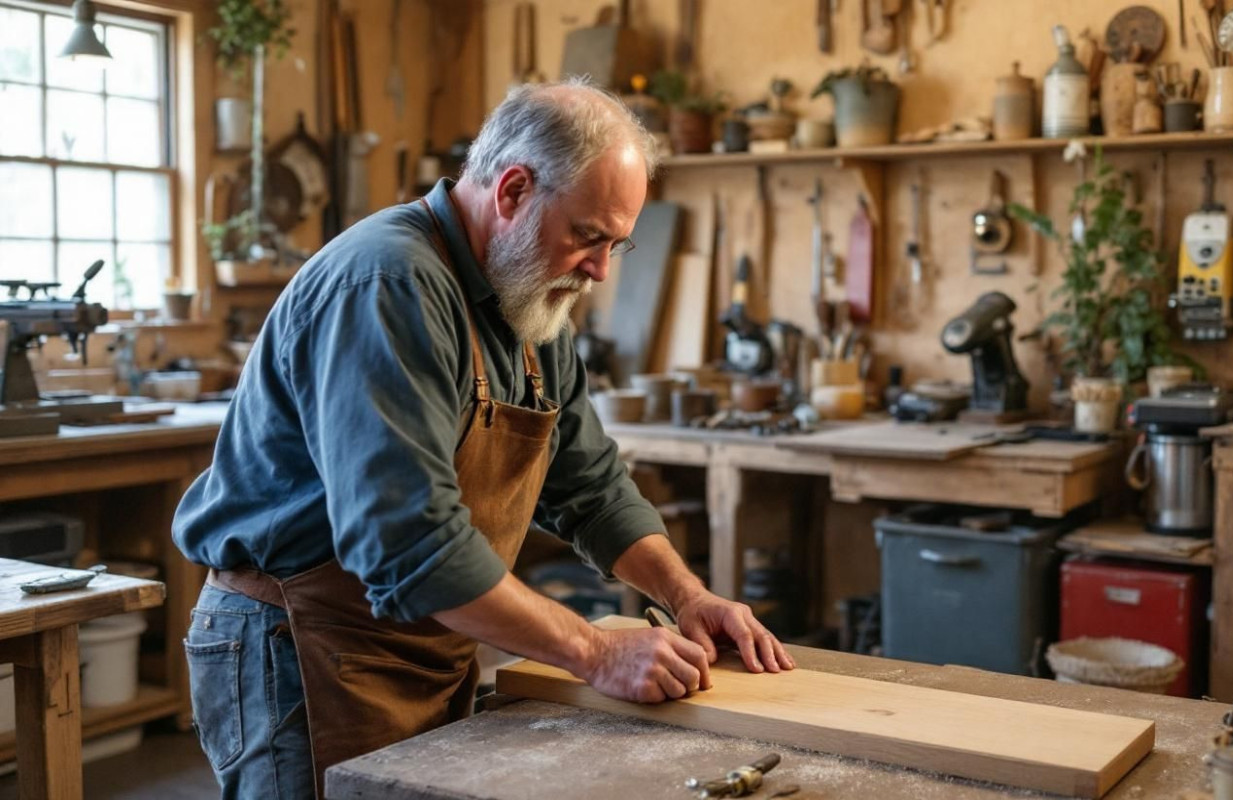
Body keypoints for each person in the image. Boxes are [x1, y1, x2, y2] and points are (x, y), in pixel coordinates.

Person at [173, 78, 795, 799]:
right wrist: (595, 652)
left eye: (615, 246)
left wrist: (686, 594)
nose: (597, 270)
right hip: (299, 648)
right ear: (512, 191)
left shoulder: (531, 298)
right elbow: (409, 545)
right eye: (588, 237)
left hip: (418, 644)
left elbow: (589, 485)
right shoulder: (388, 283)